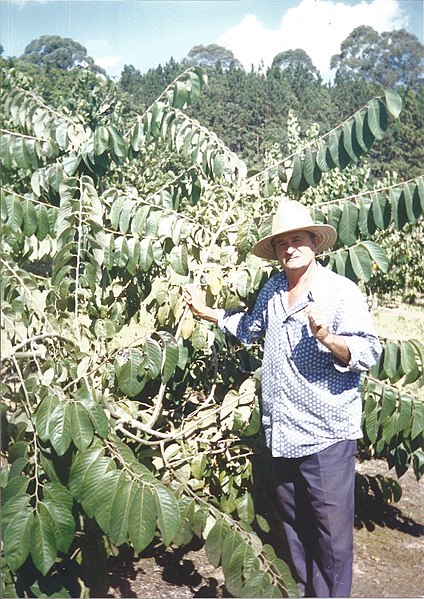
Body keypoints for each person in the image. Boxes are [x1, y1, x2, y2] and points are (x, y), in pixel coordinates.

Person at [183, 198, 382, 598]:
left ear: (315, 243)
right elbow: (252, 326)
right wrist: (210, 313)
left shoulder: (339, 292)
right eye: (281, 243)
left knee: (331, 539)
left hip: (325, 433)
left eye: (297, 240)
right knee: (294, 528)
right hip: (283, 432)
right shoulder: (273, 290)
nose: (290, 249)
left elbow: (369, 351)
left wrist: (328, 338)